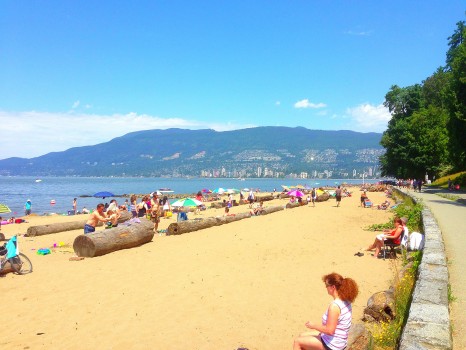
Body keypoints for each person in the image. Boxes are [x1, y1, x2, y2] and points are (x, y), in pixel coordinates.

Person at [293, 272, 359, 350]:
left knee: (297, 342)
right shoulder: (347, 301)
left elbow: (329, 330)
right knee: (302, 335)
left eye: (327, 285)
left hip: (332, 345)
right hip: (339, 340)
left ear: (333, 287)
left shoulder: (334, 306)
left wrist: (313, 325)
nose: (326, 288)